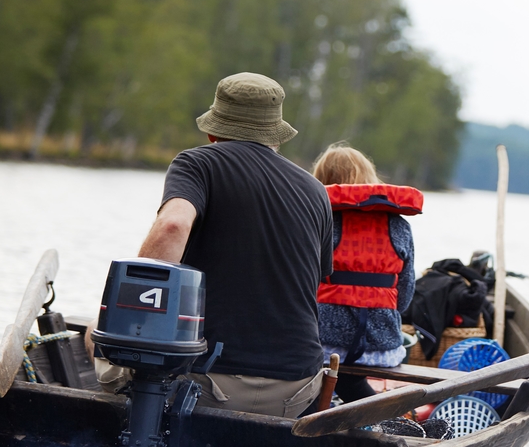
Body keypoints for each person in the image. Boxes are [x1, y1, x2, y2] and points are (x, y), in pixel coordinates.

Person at [95, 72, 334, 418]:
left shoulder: (198, 163)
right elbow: (317, 282)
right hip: (297, 387)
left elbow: (173, 225)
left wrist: (132, 304)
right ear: (276, 136)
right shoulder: (316, 191)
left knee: (95, 333)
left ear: (212, 131)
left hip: (206, 381)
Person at [312, 143, 423, 403]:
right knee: (349, 378)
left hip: (322, 348)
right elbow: (403, 299)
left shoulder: (318, 220)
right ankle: (376, 417)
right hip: (382, 350)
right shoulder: (399, 226)